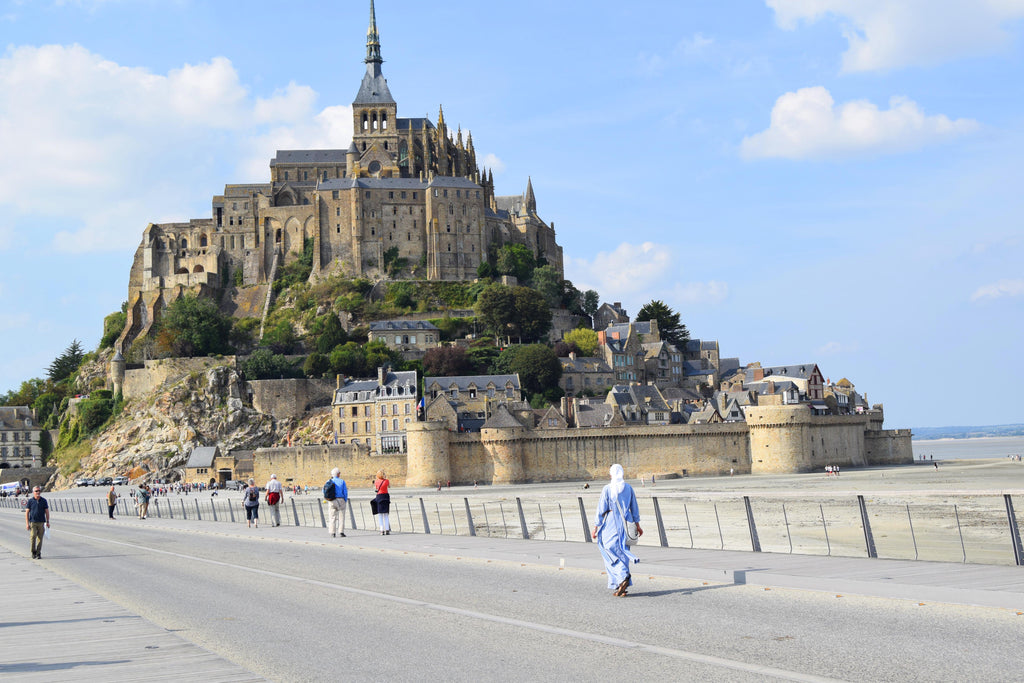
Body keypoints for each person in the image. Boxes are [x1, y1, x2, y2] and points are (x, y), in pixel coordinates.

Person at [591, 464, 642, 597]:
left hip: (612, 523)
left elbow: (601, 509)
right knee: (623, 552)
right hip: (627, 522)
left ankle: (622, 575)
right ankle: (621, 586)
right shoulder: (628, 488)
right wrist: (637, 525)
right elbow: (634, 507)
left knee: (606, 548)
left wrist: (596, 527)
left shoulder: (607, 489)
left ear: (611, 475)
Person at [25, 486, 50, 559]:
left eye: (39, 491)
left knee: (40, 538)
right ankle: (33, 552)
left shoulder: (43, 500)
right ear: (33, 492)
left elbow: (47, 511)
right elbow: (27, 513)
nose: (38, 492)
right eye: (36, 491)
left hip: (41, 522)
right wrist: (27, 524)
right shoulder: (30, 501)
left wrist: (48, 521)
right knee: (33, 537)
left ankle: (38, 553)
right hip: (33, 522)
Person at [326, 467, 349, 538]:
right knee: (341, 516)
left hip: (331, 500)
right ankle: (341, 531)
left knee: (332, 517)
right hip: (340, 499)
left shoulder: (328, 481)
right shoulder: (342, 481)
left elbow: (324, 491)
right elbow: (345, 492)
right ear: (338, 474)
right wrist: (344, 500)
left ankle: (332, 532)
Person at [373, 470, 391, 535]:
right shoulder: (386, 481)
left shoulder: (376, 481)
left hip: (379, 496)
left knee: (380, 514)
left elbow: (376, 488)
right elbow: (389, 486)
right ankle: (387, 529)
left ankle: (381, 530)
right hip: (386, 496)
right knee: (386, 514)